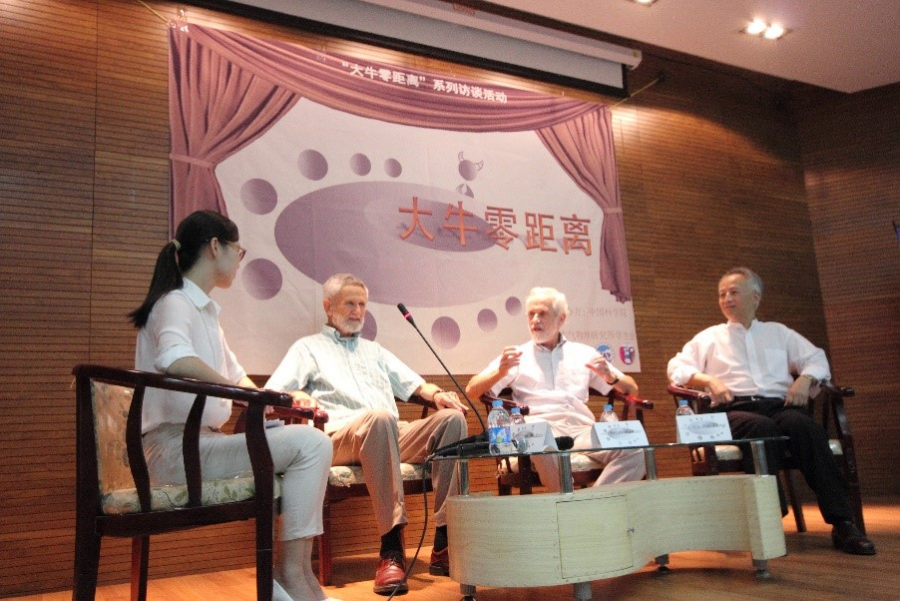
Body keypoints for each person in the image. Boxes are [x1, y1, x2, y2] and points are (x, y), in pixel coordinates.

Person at [130, 210, 339, 601]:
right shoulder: (176, 302)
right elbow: (173, 358)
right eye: (238, 251)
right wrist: (238, 392)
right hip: (174, 450)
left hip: (197, 444)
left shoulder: (206, 313)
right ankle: (291, 576)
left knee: (309, 443)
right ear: (215, 247)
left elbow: (239, 378)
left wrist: (278, 399)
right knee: (311, 445)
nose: (239, 261)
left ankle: (297, 576)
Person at [265, 274, 469, 596]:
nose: (358, 311)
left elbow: (416, 385)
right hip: (339, 436)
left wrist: (437, 395)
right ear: (328, 306)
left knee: (452, 420)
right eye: (350, 303)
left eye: (362, 304)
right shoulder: (308, 349)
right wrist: (296, 395)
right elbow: (272, 393)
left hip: (388, 431)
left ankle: (444, 542)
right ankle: (391, 548)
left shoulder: (375, 351)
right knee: (379, 418)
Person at [667, 266, 876, 555]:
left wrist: (805, 379)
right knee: (760, 429)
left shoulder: (779, 333)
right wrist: (708, 380)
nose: (726, 299)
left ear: (755, 297)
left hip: (780, 406)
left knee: (807, 428)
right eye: (722, 294)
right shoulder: (709, 338)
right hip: (734, 410)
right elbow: (677, 368)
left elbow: (817, 359)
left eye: (733, 292)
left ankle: (843, 523)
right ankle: (769, 518)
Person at [465, 287, 645, 492]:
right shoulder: (517, 355)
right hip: (539, 431)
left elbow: (632, 389)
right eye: (531, 314)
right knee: (536, 432)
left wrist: (611, 377)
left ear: (561, 318)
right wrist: (499, 372)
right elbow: (471, 390)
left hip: (582, 430)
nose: (535, 320)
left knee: (636, 447)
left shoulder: (583, 353)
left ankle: (587, 503)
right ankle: (570, 501)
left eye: (542, 313)